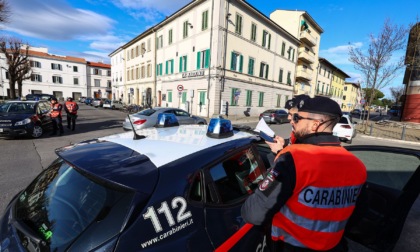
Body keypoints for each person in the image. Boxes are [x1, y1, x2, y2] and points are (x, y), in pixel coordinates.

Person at [242, 96, 367, 252]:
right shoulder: (358, 166)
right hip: (335, 247)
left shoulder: (293, 158)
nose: (292, 121)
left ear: (315, 125)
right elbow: (357, 214)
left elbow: (253, 213)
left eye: (297, 117)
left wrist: (279, 158)